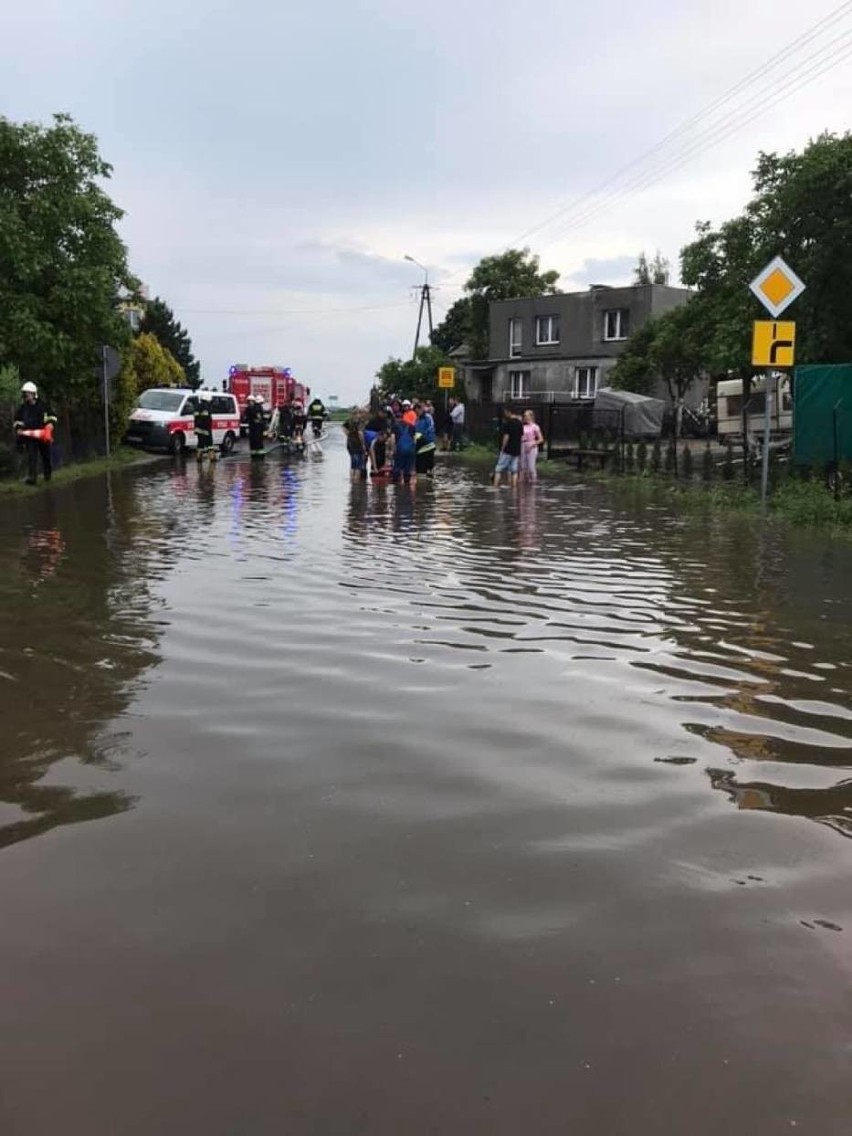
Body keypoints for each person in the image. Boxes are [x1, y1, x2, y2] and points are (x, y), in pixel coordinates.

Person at [14, 381, 57, 485]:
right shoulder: (23, 408)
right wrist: (19, 428)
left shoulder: (43, 405)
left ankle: (48, 474)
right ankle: (32, 478)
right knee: (32, 456)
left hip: (42, 435)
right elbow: (17, 420)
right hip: (30, 437)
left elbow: (52, 416)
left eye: (27, 393)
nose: (25, 395)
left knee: (45, 455)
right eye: (25, 393)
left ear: (33, 393)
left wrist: (50, 424)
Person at [492, 407, 523, 488]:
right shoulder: (520, 423)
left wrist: (502, 448)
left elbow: (506, 436)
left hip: (508, 449)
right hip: (516, 450)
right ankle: (514, 488)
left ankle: (495, 487)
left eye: (505, 412)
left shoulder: (508, 423)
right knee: (514, 470)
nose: (505, 414)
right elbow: (521, 436)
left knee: (498, 469)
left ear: (509, 412)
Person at [392, 414, 417, 485]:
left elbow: (393, 438)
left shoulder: (395, 426)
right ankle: (407, 486)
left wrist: (392, 450)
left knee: (397, 467)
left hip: (400, 450)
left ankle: (395, 486)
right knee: (408, 469)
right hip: (410, 450)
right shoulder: (411, 426)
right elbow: (415, 440)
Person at [520, 409, 544, 482]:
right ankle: (523, 482)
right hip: (523, 445)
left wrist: (533, 443)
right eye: (524, 415)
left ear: (531, 416)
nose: (526, 417)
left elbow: (541, 439)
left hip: (532, 446)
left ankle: (533, 482)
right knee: (523, 466)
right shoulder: (523, 426)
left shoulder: (535, 426)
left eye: (527, 415)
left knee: (531, 467)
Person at [414, 401, 436, 478]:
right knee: (420, 468)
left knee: (429, 466)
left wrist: (423, 435)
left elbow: (431, 428)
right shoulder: (416, 420)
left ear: (421, 409)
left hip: (428, 443)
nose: (417, 413)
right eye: (416, 412)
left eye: (418, 411)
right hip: (419, 445)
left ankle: (429, 478)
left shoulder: (428, 417)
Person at [194, 390, 216, 462]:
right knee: (210, 444)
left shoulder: (197, 407)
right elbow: (207, 419)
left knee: (200, 444)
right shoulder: (207, 407)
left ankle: (198, 458)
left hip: (198, 429)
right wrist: (207, 430)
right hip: (206, 429)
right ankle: (212, 458)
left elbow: (196, 418)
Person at [343, 416, 367, 481]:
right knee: (358, 467)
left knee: (352, 466)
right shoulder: (360, 433)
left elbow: (347, 445)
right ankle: (356, 482)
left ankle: (351, 480)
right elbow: (363, 444)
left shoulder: (350, 435)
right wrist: (365, 451)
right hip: (359, 451)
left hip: (352, 450)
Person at [245, 394, 266, 459]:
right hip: (257, 429)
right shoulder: (258, 408)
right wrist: (264, 429)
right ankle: (260, 457)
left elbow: (246, 418)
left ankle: (254, 457)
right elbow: (260, 419)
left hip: (252, 429)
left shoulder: (249, 409)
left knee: (253, 444)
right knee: (259, 444)